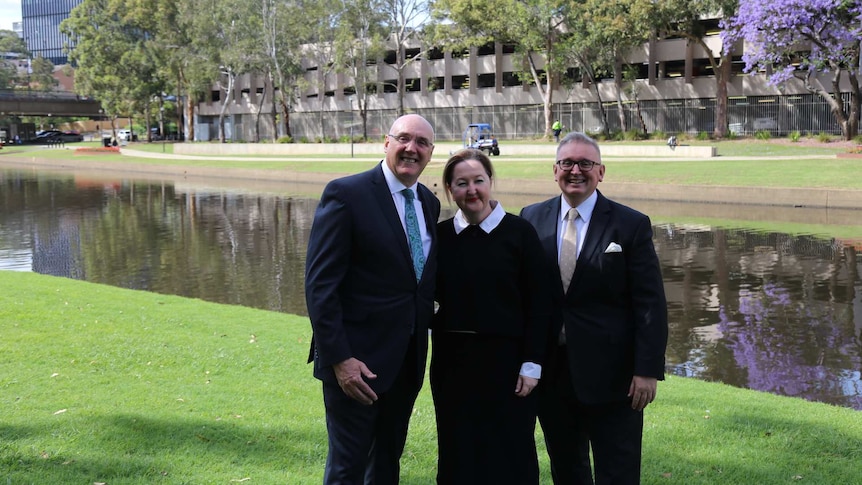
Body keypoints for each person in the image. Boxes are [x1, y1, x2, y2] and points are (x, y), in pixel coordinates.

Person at [520, 132, 668, 484]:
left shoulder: (630, 224)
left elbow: (650, 303)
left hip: (615, 379)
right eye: (567, 163)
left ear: (601, 172)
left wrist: (647, 369)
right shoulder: (530, 218)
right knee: (567, 469)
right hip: (553, 375)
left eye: (585, 163)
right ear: (554, 170)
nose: (576, 170)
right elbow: (524, 294)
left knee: (617, 470)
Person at [304, 114, 440, 484]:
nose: (412, 148)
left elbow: (419, 283)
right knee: (348, 466)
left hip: (406, 362)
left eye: (422, 143)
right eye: (404, 139)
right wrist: (340, 360)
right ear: (386, 142)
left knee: (386, 463)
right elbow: (320, 286)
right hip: (356, 363)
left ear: (430, 153)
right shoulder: (346, 194)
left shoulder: (428, 201)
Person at [432, 148, 551, 485]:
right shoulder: (439, 238)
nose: (472, 190)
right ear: (449, 190)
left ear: (490, 183)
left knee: (511, 455)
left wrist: (532, 364)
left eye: (478, 181)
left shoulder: (520, 233)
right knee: (458, 453)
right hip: (452, 367)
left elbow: (541, 303)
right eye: (462, 183)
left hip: (509, 366)